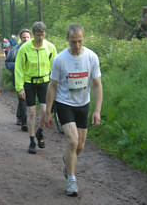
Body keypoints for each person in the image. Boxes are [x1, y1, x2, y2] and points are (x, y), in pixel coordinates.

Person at [45, 24, 103, 196]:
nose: (76, 46)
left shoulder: (91, 57)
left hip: (83, 104)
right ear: (67, 40)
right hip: (65, 104)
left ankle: (67, 161)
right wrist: (48, 112)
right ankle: (71, 180)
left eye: (79, 42)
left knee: (80, 145)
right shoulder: (60, 60)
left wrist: (97, 110)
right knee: (72, 141)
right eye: (73, 42)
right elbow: (52, 86)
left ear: (83, 39)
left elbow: (97, 85)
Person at [15, 21, 57, 154]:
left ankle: (40, 131)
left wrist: (56, 83)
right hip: (29, 82)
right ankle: (32, 140)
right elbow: (19, 68)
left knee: (45, 110)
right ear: (33, 34)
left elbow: (55, 67)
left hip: (45, 82)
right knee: (32, 112)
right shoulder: (25, 48)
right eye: (38, 35)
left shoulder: (50, 47)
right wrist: (19, 87)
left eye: (42, 35)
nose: (40, 38)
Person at [5, 29, 31, 132]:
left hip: (30, 78)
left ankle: (19, 116)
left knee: (25, 99)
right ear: (20, 38)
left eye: (27, 37)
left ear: (30, 38)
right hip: (18, 77)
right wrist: (17, 67)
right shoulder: (15, 49)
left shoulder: (34, 49)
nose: (25, 39)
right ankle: (24, 122)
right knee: (22, 98)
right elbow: (8, 62)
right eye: (23, 37)